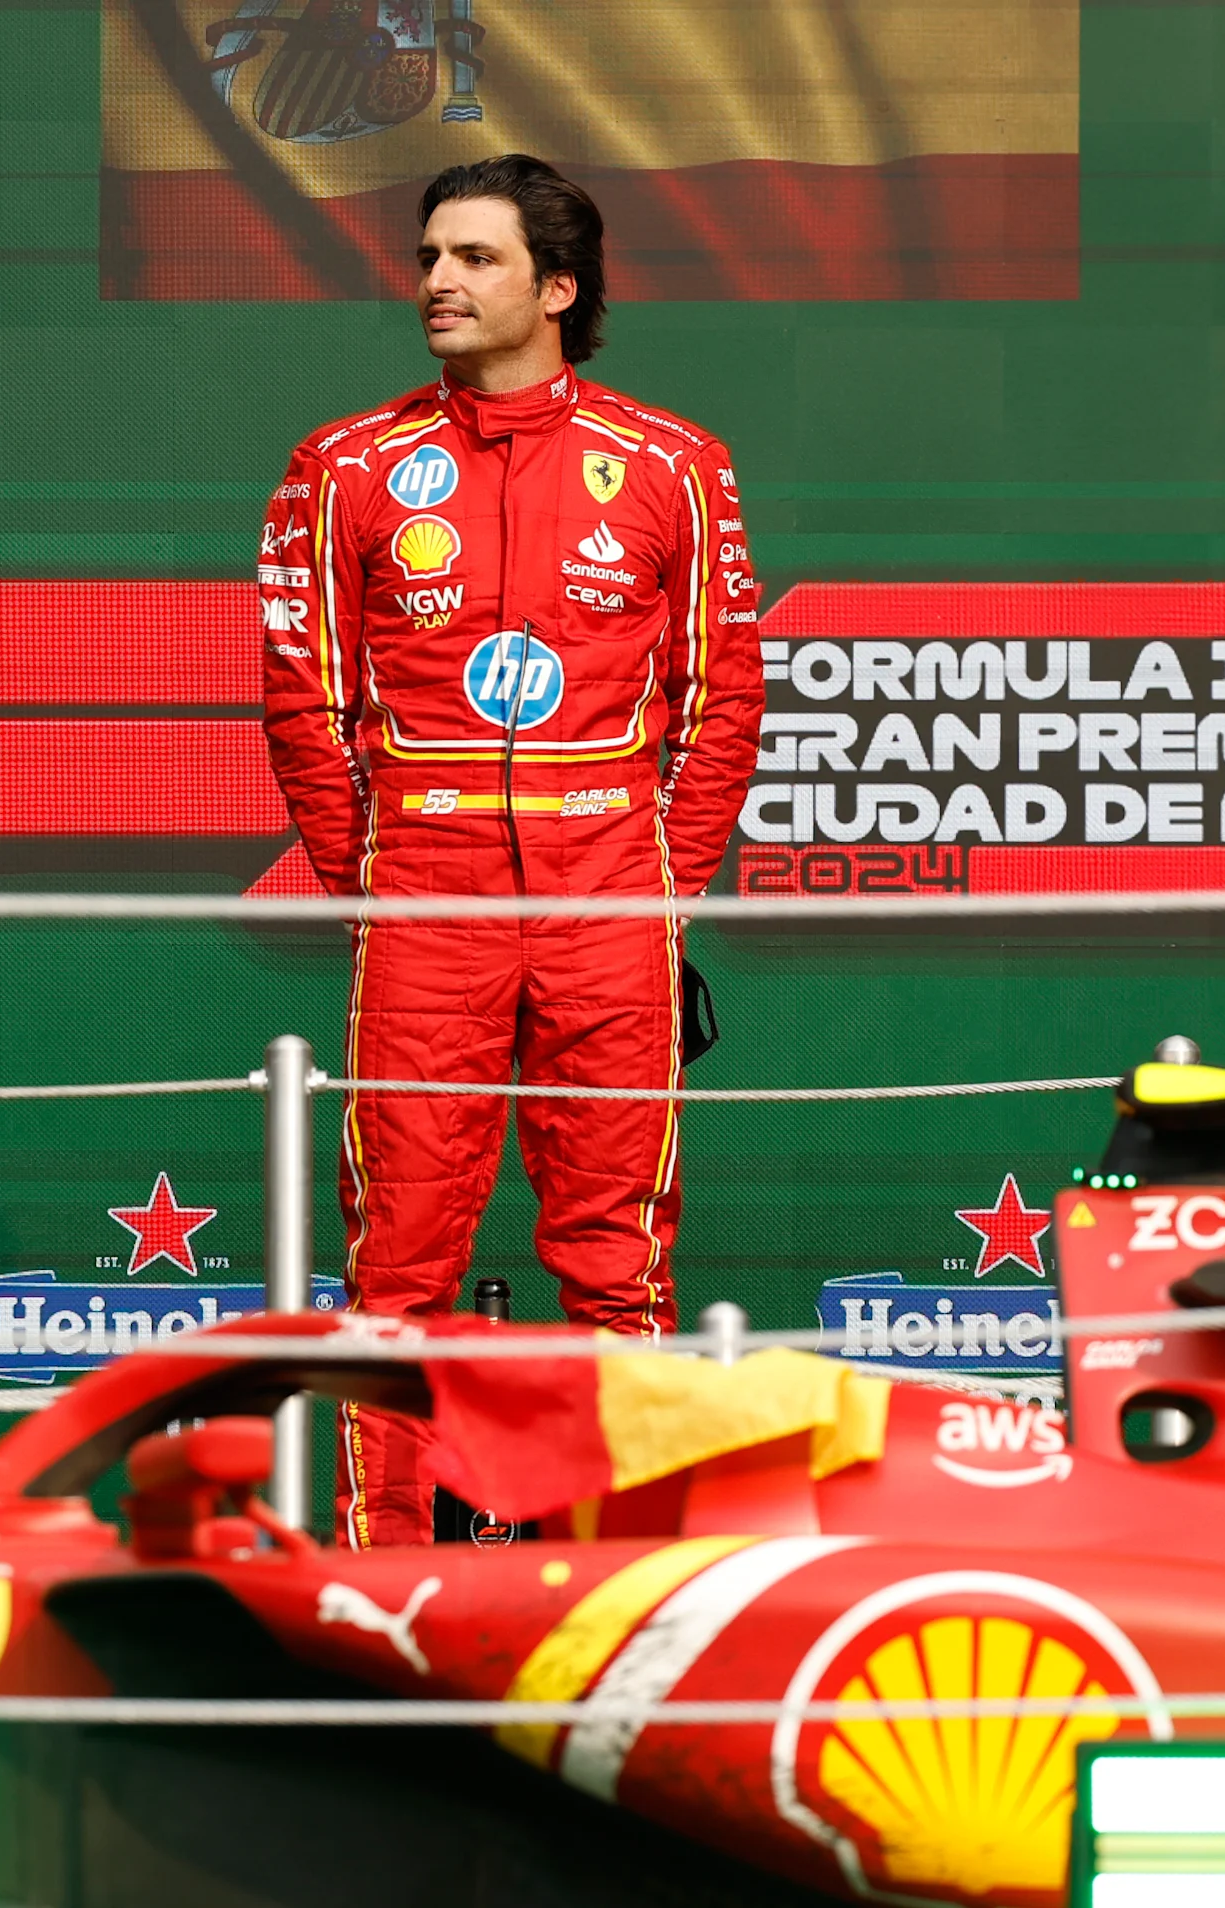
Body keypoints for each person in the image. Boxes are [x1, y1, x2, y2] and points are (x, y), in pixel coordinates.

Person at [257, 154, 765, 1547]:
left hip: (611, 901)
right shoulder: (344, 466)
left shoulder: (674, 464)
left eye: (473, 259)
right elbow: (304, 692)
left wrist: (667, 883)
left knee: (620, 1267)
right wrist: (365, 877)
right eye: (430, 255)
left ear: (557, 287)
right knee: (398, 1266)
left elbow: (724, 703)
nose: (435, 281)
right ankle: (384, 1582)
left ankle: (631, 1579)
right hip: (426, 903)